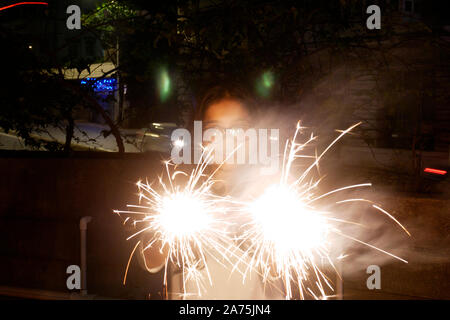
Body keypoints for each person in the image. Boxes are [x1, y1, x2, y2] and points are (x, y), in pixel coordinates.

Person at [138, 83, 284, 299]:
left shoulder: (272, 195)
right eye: (214, 129)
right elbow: (150, 262)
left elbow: (283, 271)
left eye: (238, 128)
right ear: (199, 137)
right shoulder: (178, 192)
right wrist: (169, 230)